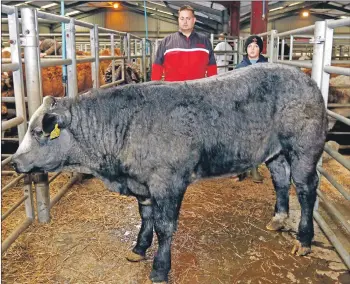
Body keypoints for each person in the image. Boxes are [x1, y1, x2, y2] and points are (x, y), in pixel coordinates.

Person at [151, 5, 217, 81]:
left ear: (194, 20)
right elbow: (157, 67)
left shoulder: (205, 41)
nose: (185, 22)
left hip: (197, 90)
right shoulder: (166, 41)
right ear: (178, 20)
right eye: (182, 18)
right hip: (173, 90)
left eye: (188, 18)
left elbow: (212, 68)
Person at [236, 35, 268, 183]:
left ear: (260, 49)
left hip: (260, 107)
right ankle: (242, 169)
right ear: (246, 49)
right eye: (250, 46)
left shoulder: (267, 66)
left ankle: (254, 169)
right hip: (244, 108)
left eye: (256, 46)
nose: (252, 49)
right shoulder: (240, 66)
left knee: (257, 138)